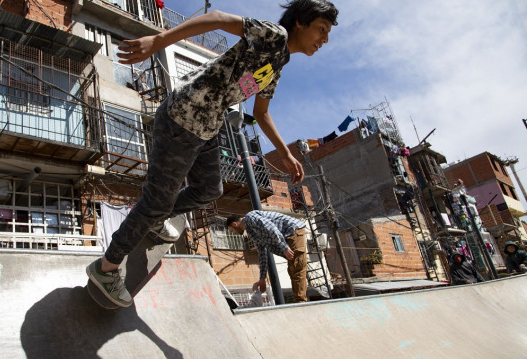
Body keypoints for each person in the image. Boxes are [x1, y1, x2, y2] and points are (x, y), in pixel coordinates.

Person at [87, 0, 339, 308]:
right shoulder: (275, 36)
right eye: (321, 30)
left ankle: (153, 219)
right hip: (183, 117)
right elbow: (218, 18)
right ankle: (107, 267)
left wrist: (285, 154)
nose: (323, 41)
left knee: (209, 189)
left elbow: (261, 112)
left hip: (207, 126)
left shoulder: (276, 67)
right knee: (157, 201)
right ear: (300, 22)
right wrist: (158, 40)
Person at [227, 211, 308, 303]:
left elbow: (271, 228)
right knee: (292, 269)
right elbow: (262, 253)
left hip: (293, 230)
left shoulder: (250, 218)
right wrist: (262, 278)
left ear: (235, 224)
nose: (233, 233)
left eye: (232, 230)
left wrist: (284, 247)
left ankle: (300, 302)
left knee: (297, 267)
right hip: (287, 236)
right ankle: (299, 300)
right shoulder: (251, 232)